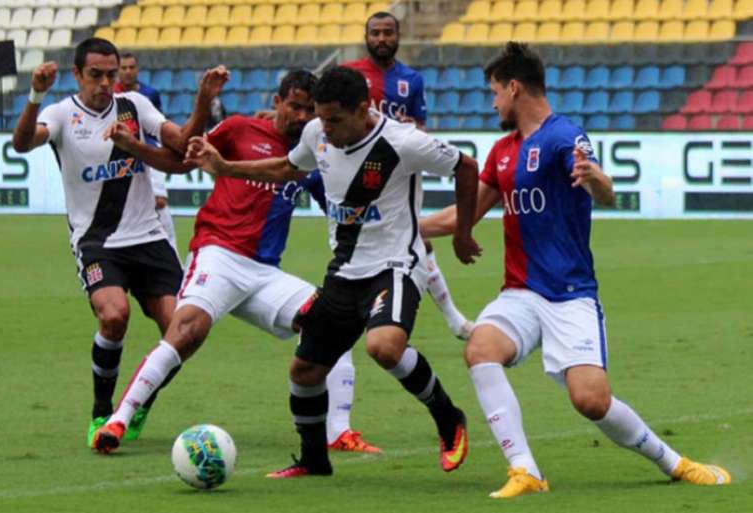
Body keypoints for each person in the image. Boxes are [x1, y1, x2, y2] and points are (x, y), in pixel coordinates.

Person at [420, 42, 731, 499]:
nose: (492, 103)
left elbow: (603, 189)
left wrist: (597, 180)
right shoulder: (502, 152)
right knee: (481, 350)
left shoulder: (565, 136)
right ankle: (525, 470)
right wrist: (400, 226)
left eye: (494, 92)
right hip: (521, 292)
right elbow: (461, 216)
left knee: (591, 401)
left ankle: (675, 462)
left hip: (570, 294)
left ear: (514, 87)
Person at [184, 66, 481, 478]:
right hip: (344, 270)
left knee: (384, 346)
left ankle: (449, 419)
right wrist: (226, 167)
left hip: (395, 264)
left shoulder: (402, 142)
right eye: (320, 118)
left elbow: (466, 168)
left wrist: (463, 233)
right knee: (304, 370)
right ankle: (313, 461)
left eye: (334, 120)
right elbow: (288, 169)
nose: (324, 128)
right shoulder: (316, 132)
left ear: (363, 110)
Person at [92, 70, 380, 455]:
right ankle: (118, 420)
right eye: (294, 106)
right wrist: (135, 147)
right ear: (277, 103)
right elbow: (181, 162)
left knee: (334, 325)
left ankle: (338, 432)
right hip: (219, 253)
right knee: (187, 330)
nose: (300, 116)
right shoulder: (239, 129)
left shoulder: (313, 154)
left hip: (264, 273)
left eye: (308, 110)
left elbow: (342, 211)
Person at [11, 37, 227, 447]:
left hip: (149, 236)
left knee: (186, 331)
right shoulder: (60, 114)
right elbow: (22, 143)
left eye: (111, 74)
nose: (105, 83)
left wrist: (202, 100)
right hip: (97, 241)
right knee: (113, 316)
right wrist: (36, 94)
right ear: (77, 75)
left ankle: (137, 401)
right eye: (96, 75)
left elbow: (182, 144)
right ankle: (100, 412)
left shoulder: (135, 106)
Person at [343, 11, 473, 341]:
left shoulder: (411, 80)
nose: (382, 39)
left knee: (417, 242)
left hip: (400, 174)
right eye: (375, 33)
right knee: (399, 242)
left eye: (388, 32)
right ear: (366, 36)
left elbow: (420, 126)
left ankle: (449, 319)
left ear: (398, 36)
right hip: (357, 172)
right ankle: (450, 319)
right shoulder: (350, 74)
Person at [115, 52, 177, 251]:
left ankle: (171, 253)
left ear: (137, 69)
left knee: (159, 202)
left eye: (131, 67)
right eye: (123, 68)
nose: (127, 71)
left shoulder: (150, 94)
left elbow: (159, 125)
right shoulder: (110, 95)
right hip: (123, 156)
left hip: (150, 152)